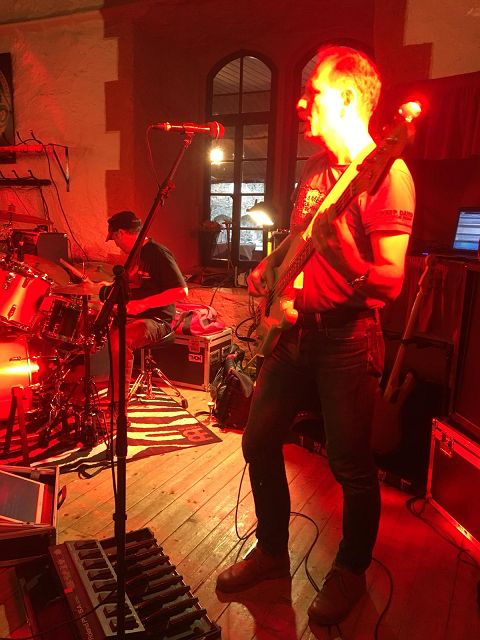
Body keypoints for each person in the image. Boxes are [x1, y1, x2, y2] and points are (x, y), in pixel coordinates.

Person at [215, 45, 415, 626]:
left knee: (350, 466)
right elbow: (301, 236)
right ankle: (272, 554)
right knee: (258, 440)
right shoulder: (318, 170)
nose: (303, 104)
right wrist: (272, 264)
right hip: (294, 333)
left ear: (348, 99)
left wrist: (347, 258)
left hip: (346, 341)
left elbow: (390, 282)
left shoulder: (387, 175)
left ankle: (350, 569)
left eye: (315, 93)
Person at [101, 210, 187, 405]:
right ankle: (111, 392)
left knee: (120, 339)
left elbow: (181, 291)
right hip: (136, 317)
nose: (116, 244)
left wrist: (142, 305)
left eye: (114, 238)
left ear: (120, 233)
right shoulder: (133, 257)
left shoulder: (157, 253)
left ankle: (118, 405)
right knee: (103, 328)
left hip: (157, 320)